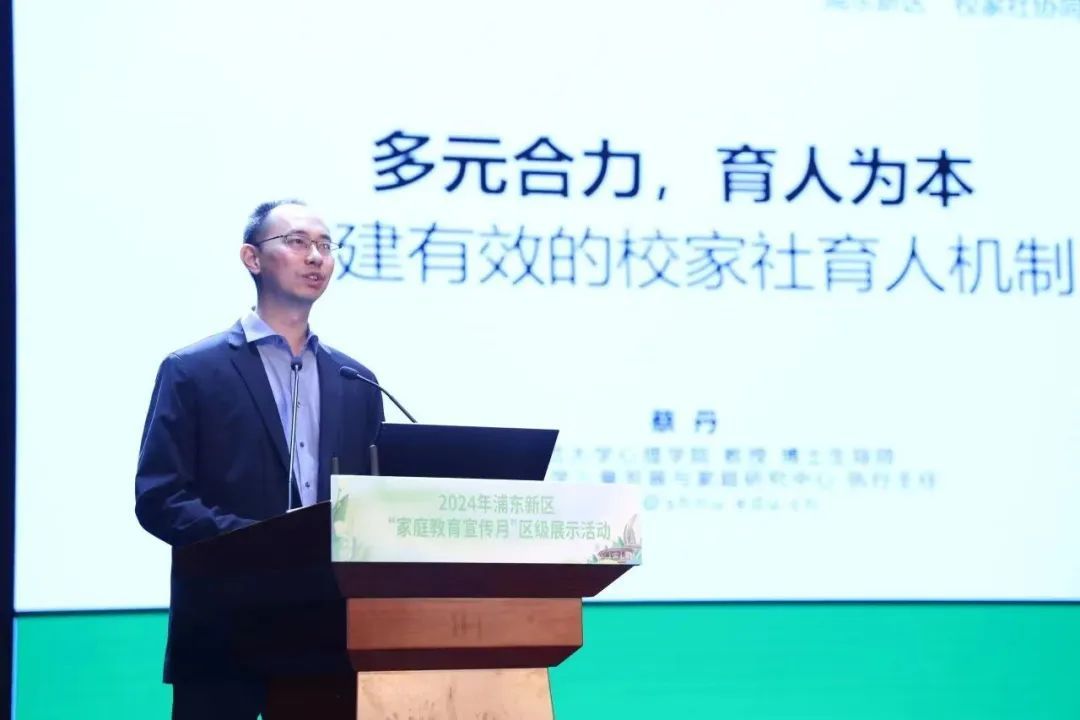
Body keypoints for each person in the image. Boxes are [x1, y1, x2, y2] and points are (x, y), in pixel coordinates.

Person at [134, 200, 384, 719]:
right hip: (223, 631)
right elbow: (160, 498)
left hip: (326, 636)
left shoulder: (355, 379)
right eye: (297, 242)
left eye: (325, 245)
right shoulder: (192, 370)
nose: (315, 256)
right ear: (252, 258)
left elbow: (372, 500)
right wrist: (260, 542)